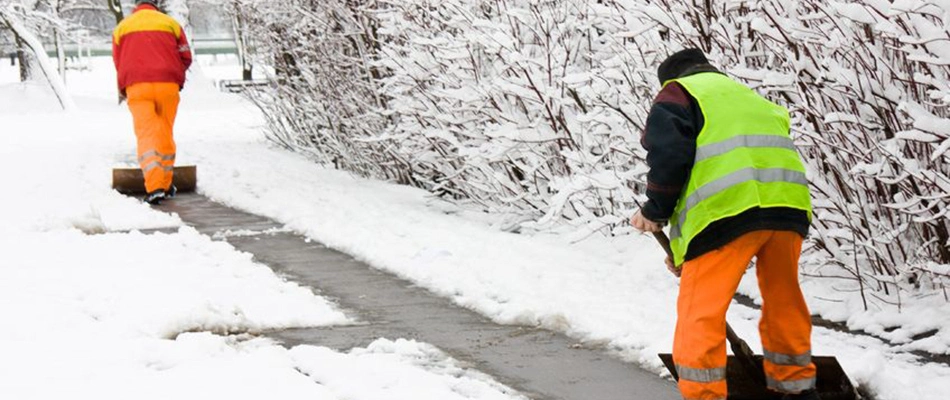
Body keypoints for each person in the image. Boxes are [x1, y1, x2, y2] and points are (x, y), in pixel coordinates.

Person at [630, 49, 819, 400]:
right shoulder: (749, 97)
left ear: (672, 77)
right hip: (788, 209)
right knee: (784, 299)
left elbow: (671, 154)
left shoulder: (678, 93)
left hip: (726, 213)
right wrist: (684, 251)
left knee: (700, 310)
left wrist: (655, 210)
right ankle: (797, 389)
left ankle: (705, 395)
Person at [112, 0, 192, 204]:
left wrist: (124, 86)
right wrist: (176, 75)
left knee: (147, 134)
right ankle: (165, 184)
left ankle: (155, 186)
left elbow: (118, 61)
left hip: (137, 86)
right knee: (165, 132)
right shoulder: (170, 23)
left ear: (136, 5)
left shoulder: (123, 27)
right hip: (168, 85)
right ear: (156, 4)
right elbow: (186, 56)